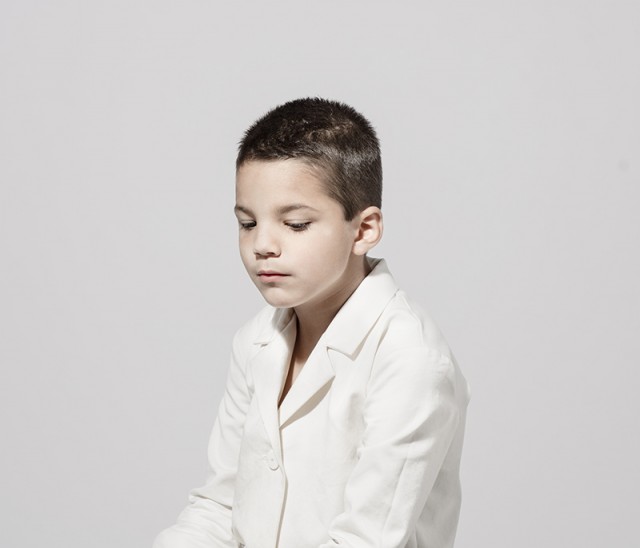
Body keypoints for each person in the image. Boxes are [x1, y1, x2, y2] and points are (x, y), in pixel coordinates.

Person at [153, 98, 470, 548]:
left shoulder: (410, 359)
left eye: (296, 224)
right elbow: (222, 507)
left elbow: (365, 541)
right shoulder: (255, 340)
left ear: (364, 230)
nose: (262, 244)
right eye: (247, 223)